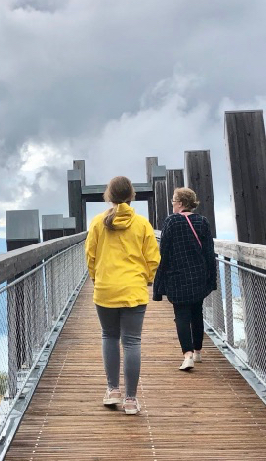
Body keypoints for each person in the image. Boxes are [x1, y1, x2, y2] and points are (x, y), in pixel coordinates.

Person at [85, 175, 161, 415]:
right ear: (132, 195)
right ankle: (130, 400)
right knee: (132, 342)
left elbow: (90, 256)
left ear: (109, 196)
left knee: (109, 336)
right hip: (133, 290)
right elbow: (153, 258)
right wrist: (146, 279)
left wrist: (97, 279)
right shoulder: (141, 224)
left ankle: (112, 390)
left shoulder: (98, 222)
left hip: (106, 288)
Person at [152, 186, 216, 371]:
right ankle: (198, 352)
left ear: (180, 203)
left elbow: (164, 252)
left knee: (181, 315)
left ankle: (187, 355)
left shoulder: (171, 222)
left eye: (173, 201)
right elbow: (209, 253)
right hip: (198, 275)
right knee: (197, 313)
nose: (172, 204)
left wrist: (159, 284)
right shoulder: (202, 222)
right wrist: (211, 279)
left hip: (177, 276)